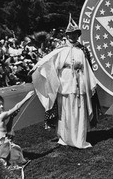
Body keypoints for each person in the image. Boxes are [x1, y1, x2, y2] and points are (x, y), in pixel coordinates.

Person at [31, 15, 97, 149]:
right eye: (70, 34)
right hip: (65, 83)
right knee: (65, 110)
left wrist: (89, 82)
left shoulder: (83, 49)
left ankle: (79, 138)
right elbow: (49, 63)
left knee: (79, 110)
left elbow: (88, 67)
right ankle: (65, 137)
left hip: (80, 84)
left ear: (78, 35)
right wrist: (36, 68)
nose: (72, 36)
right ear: (67, 35)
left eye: (75, 34)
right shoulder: (60, 50)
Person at [0, 90, 34, 167]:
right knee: (16, 151)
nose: (2, 106)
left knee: (15, 149)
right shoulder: (1, 116)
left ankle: (4, 160)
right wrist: (26, 98)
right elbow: (16, 107)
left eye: (2, 104)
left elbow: (6, 129)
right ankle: (5, 161)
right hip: (2, 145)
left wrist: (12, 118)